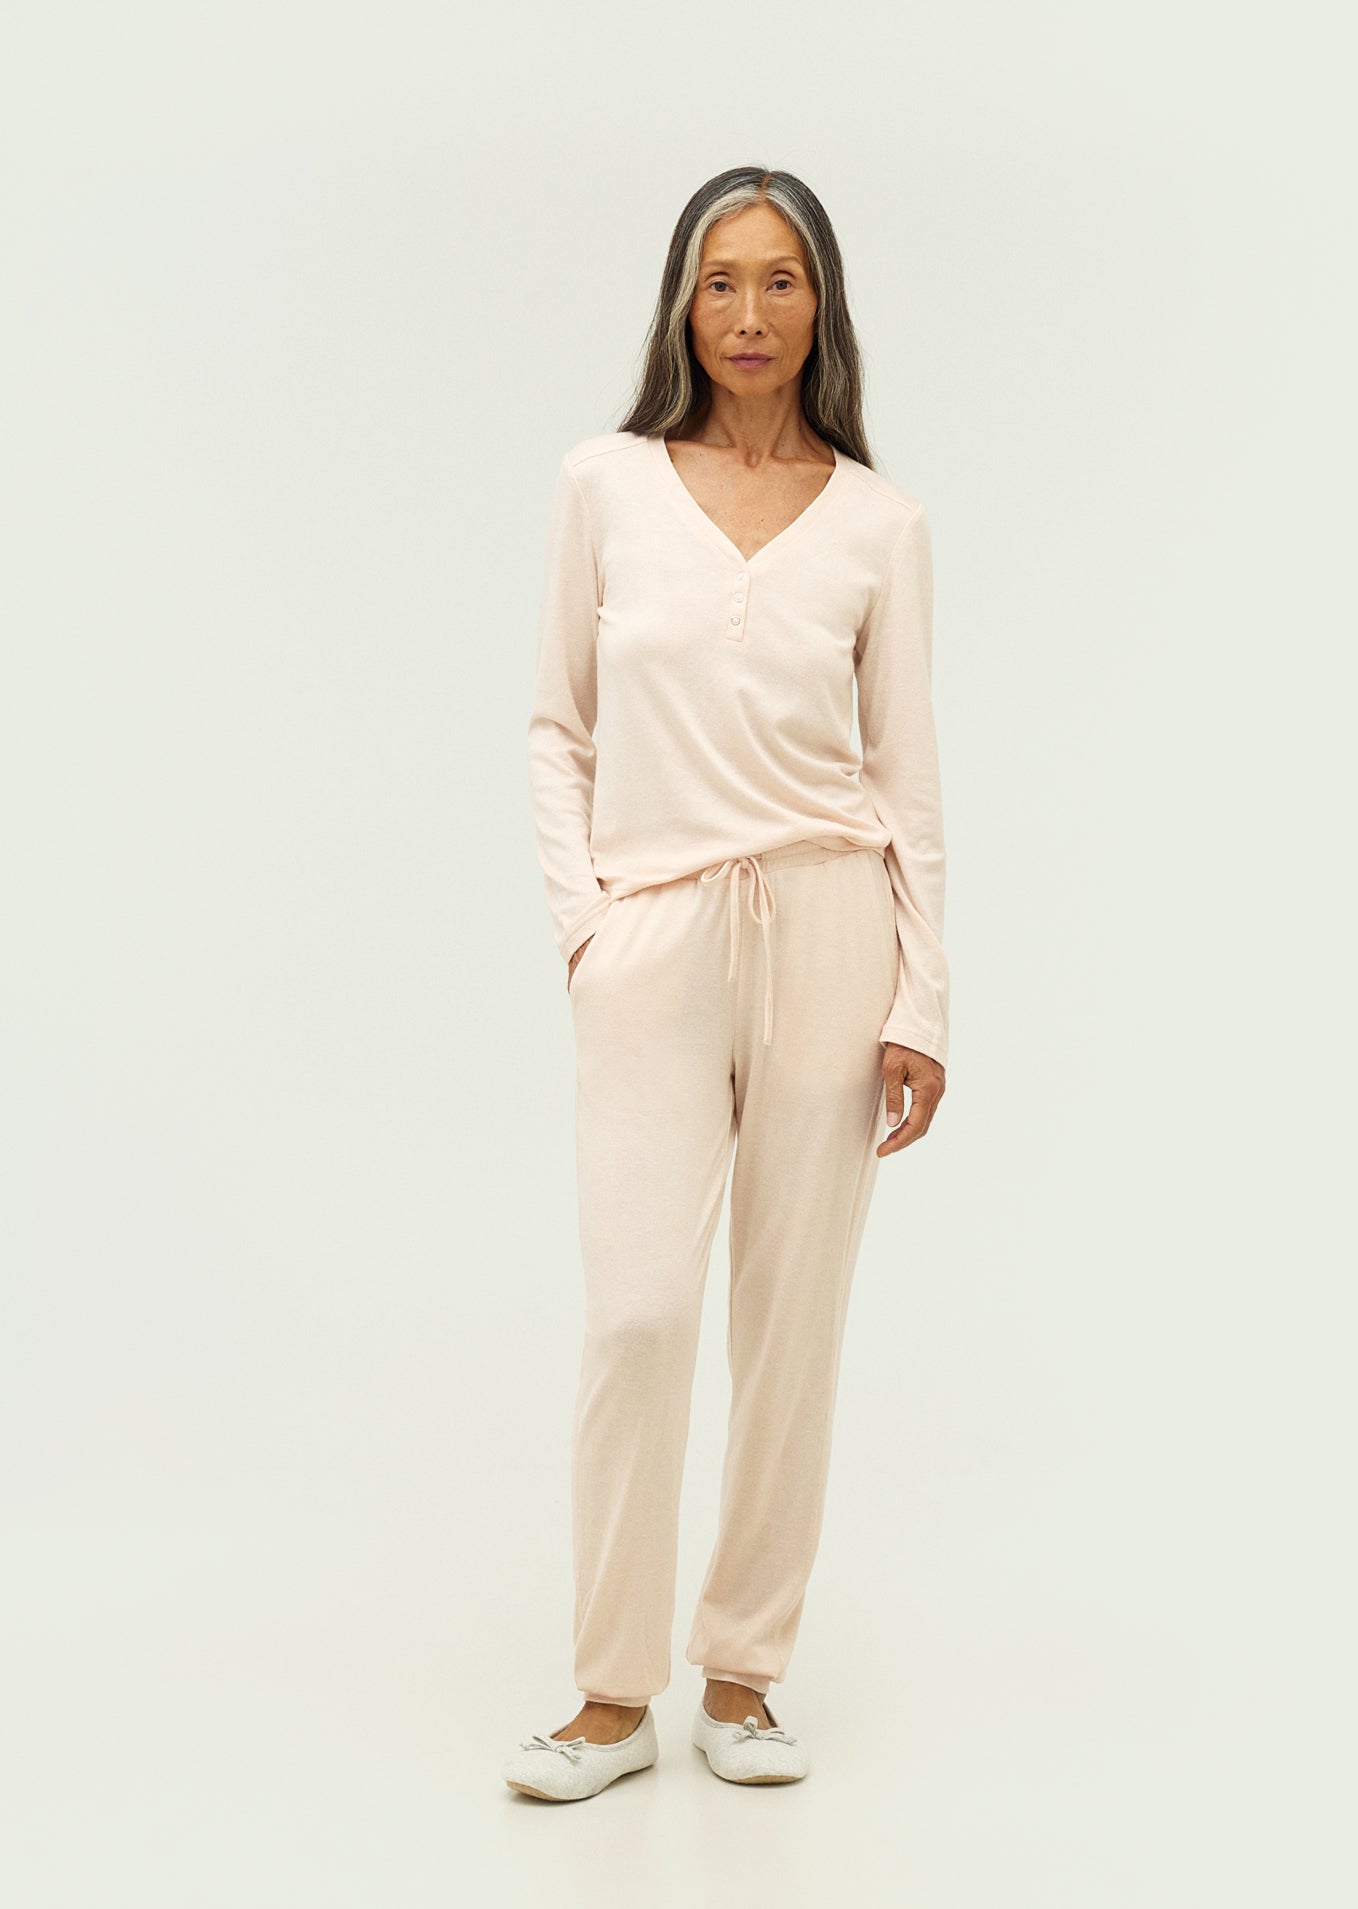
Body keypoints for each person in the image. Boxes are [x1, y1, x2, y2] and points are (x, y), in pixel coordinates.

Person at [505, 165, 950, 1803]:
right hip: (658, 931)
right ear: (681, 305)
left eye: (779, 281)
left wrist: (921, 1001)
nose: (748, 313)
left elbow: (907, 781)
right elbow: (556, 726)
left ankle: (742, 1673)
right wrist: (589, 925)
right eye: (719, 281)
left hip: (834, 931)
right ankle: (609, 1694)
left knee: (792, 1320)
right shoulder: (606, 483)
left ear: (821, 305)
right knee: (639, 1314)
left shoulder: (881, 523)